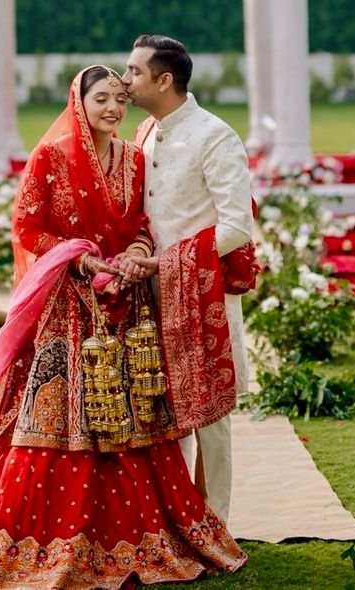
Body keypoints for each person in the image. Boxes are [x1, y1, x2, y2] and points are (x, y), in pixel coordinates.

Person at [0, 65, 246, 590]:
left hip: (125, 302)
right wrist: (80, 260)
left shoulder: (133, 157)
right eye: (101, 99)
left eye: (120, 99)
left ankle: (155, 531)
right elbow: (28, 226)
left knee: (134, 411)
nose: (113, 109)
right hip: (67, 307)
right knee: (64, 415)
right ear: (79, 102)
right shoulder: (50, 157)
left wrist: (137, 255)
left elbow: (144, 223)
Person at [120, 35, 255, 524]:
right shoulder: (144, 133)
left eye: (133, 72)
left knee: (210, 415)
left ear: (164, 79)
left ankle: (215, 521)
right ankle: (176, 519)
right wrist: (138, 254)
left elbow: (237, 224)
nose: (124, 79)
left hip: (200, 292)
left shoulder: (214, 136)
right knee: (160, 406)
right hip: (149, 291)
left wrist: (170, 261)